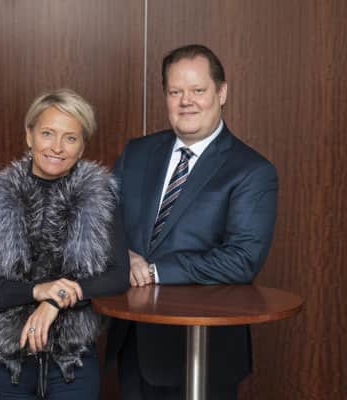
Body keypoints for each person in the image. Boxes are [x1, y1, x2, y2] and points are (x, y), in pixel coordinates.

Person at [107, 44, 278, 399]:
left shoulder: (251, 171)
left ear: (221, 92)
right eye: (175, 92)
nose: (186, 101)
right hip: (133, 341)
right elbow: (101, 222)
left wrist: (153, 271)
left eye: (198, 90)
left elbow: (241, 260)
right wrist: (122, 255)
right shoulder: (137, 152)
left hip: (204, 351)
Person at [0, 89, 129, 399]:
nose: (57, 147)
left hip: (72, 365)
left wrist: (56, 300)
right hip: (3, 365)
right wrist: (37, 291)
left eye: (70, 138)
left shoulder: (101, 196)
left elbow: (117, 276)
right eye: (47, 133)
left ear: (82, 146)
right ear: (29, 135)